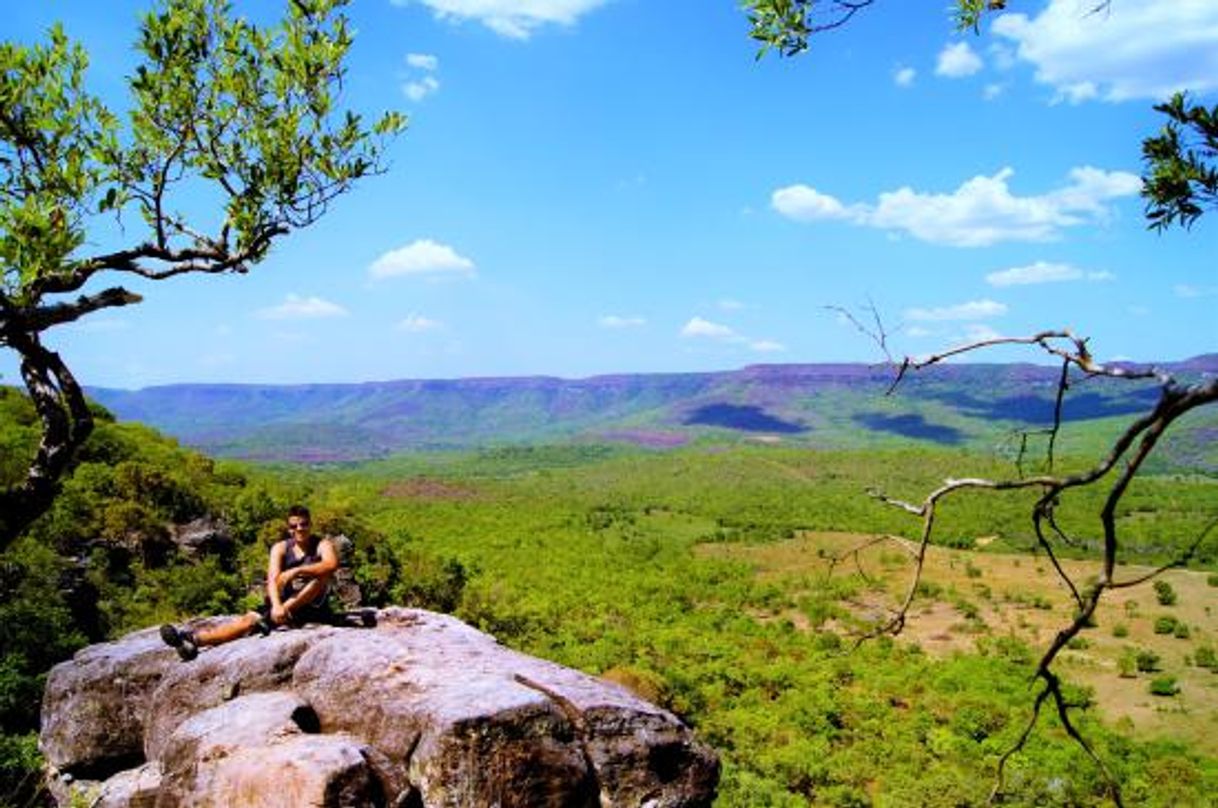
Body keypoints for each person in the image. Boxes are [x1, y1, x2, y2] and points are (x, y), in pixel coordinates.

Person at [160, 505, 339, 661]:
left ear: (310, 524)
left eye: (304, 524)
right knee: (247, 620)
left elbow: (331, 564)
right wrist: (276, 605)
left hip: (311, 607)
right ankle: (191, 640)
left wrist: (296, 571)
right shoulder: (281, 548)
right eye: (294, 526)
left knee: (322, 576)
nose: (299, 529)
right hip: (282, 603)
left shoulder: (322, 544)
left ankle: (277, 616)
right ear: (288, 528)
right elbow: (272, 579)